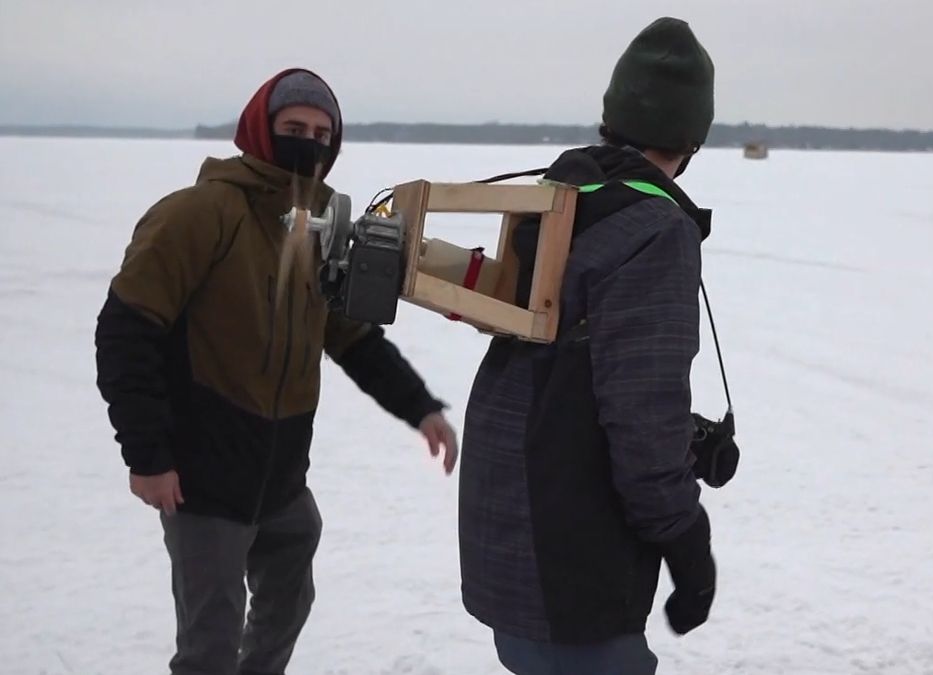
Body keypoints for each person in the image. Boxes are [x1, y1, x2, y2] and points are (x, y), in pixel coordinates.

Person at [94, 67, 458, 675]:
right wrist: (147, 456)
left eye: (321, 134)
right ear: (261, 129)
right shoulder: (199, 214)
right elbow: (126, 333)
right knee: (209, 645)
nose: (308, 143)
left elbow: (353, 338)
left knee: (287, 604)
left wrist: (420, 407)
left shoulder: (319, 228)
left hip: (282, 476)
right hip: (204, 476)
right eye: (294, 128)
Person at [456, 17, 718, 675]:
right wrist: (688, 543)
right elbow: (640, 416)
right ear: (692, 139)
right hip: (575, 564)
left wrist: (686, 436)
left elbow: (573, 374)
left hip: (509, 539)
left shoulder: (553, 202)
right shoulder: (654, 230)